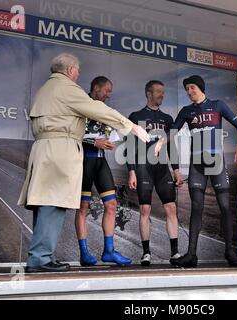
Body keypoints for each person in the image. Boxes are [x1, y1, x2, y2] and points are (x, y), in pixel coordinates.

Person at [18, 53, 149, 273]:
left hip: (43, 148)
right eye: (77, 71)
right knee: (53, 202)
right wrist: (132, 127)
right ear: (70, 70)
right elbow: (99, 110)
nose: (78, 75)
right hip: (59, 150)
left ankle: (40, 255)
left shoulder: (44, 89)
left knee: (44, 202)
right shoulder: (67, 88)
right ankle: (40, 258)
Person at [164, 75, 237, 268]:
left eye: (192, 87)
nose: (189, 91)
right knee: (197, 208)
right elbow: (173, 132)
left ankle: (229, 252)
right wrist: (160, 141)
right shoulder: (186, 111)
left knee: (225, 207)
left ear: (201, 88)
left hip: (216, 161)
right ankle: (191, 255)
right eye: (186, 89)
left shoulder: (217, 105)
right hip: (197, 165)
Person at [76, 76, 131, 266]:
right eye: (107, 90)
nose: (109, 94)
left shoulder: (105, 110)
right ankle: (84, 253)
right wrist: (94, 142)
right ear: (96, 88)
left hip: (101, 161)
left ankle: (109, 251)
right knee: (83, 207)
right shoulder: (81, 104)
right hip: (84, 160)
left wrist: (109, 140)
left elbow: (111, 133)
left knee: (112, 205)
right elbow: (71, 133)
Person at [127, 80, 184, 266]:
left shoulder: (167, 119)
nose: (162, 95)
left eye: (163, 92)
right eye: (158, 92)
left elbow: (172, 147)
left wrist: (176, 170)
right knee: (145, 209)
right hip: (143, 167)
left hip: (162, 169)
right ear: (148, 93)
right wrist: (132, 172)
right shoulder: (136, 116)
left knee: (171, 208)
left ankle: (175, 252)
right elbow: (130, 146)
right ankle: (146, 253)